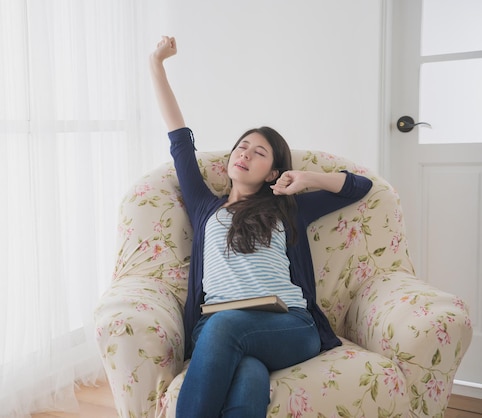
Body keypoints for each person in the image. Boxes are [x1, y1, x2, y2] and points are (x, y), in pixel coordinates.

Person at [149, 36, 373, 418]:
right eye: (242, 146)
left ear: (272, 171)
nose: (244, 153)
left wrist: (306, 178)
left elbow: (359, 187)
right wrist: (157, 63)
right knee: (250, 377)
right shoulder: (207, 207)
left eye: (258, 152)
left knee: (225, 331)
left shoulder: (289, 208)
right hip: (220, 326)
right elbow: (179, 142)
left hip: (289, 326)